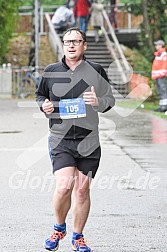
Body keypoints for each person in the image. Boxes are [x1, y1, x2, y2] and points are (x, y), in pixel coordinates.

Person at [36, 27, 115, 252]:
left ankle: (78, 237)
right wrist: (44, 105)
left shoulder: (96, 70)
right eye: (68, 41)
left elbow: (110, 100)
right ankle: (59, 227)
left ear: (84, 45)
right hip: (61, 140)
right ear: (63, 44)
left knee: (81, 190)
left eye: (76, 41)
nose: (71, 45)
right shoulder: (51, 71)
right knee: (63, 186)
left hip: (89, 141)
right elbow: (40, 95)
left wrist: (97, 101)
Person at [151, 40, 167, 112]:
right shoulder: (158, 54)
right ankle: (161, 106)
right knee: (159, 90)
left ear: (160, 45)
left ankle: (164, 107)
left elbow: (164, 65)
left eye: (157, 45)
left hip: (161, 75)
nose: (156, 46)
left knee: (162, 90)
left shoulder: (163, 54)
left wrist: (162, 73)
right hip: (157, 75)